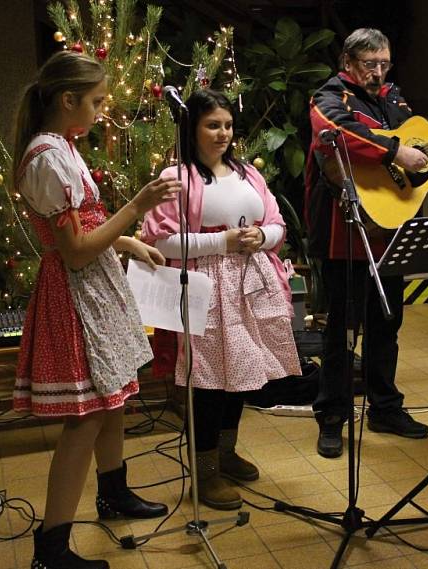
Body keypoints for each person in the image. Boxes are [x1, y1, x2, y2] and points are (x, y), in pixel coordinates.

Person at [12, 51, 180, 569]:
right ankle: (52, 547)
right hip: (74, 295)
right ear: (68, 101)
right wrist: (138, 206)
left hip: (93, 285)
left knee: (112, 400)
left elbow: (88, 233)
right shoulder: (46, 159)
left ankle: (113, 493)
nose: (102, 110)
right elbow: (76, 249)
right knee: (83, 418)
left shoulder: (64, 146)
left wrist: (127, 242)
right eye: (97, 101)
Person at [305, 28, 428, 458]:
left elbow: (422, 147)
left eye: (385, 63)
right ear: (348, 63)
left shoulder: (393, 97)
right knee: (340, 334)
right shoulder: (328, 97)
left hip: (392, 232)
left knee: (387, 325)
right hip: (342, 235)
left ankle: (385, 407)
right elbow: (337, 133)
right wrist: (393, 152)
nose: (379, 72)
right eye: (371, 65)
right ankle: (331, 417)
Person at [142, 89, 301, 509]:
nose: (223, 133)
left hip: (250, 288)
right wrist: (224, 242)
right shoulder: (175, 177)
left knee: (243, 375)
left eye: (228, 125)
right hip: (205, 293)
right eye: (213, 125)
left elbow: (278, 225)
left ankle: (226, 454)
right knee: (208, 382)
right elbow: (161, 242)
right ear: (191, 127)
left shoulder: (249, 173)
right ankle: (205, 473)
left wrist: (261, 237)